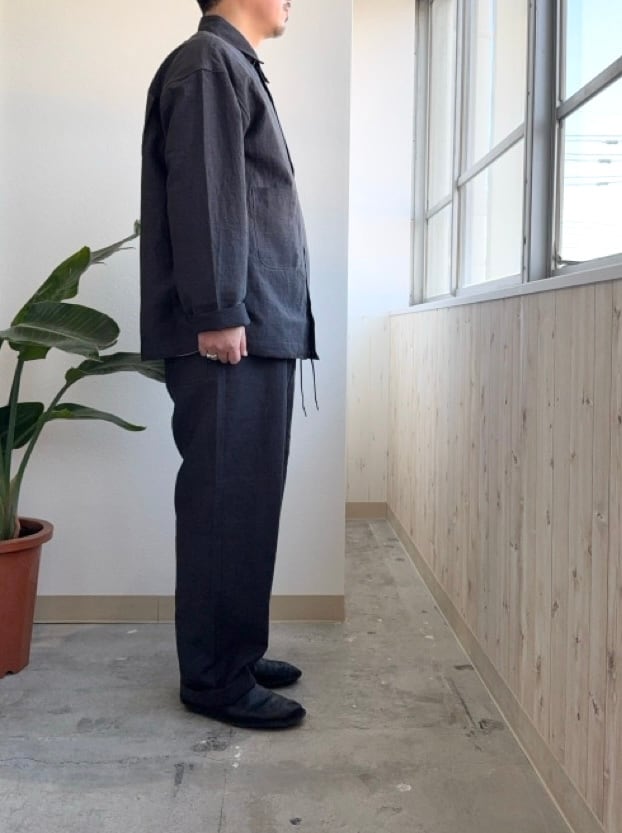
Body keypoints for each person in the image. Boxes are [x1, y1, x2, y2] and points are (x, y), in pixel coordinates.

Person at [139, 0, 317, 730]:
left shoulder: (229, 66)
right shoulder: (209, 64)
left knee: (247, 502)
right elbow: (205, 193)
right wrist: (218, 310)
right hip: (230, 331)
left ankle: (235, 652)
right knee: (225, 503)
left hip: (256, 328)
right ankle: (215, 679)